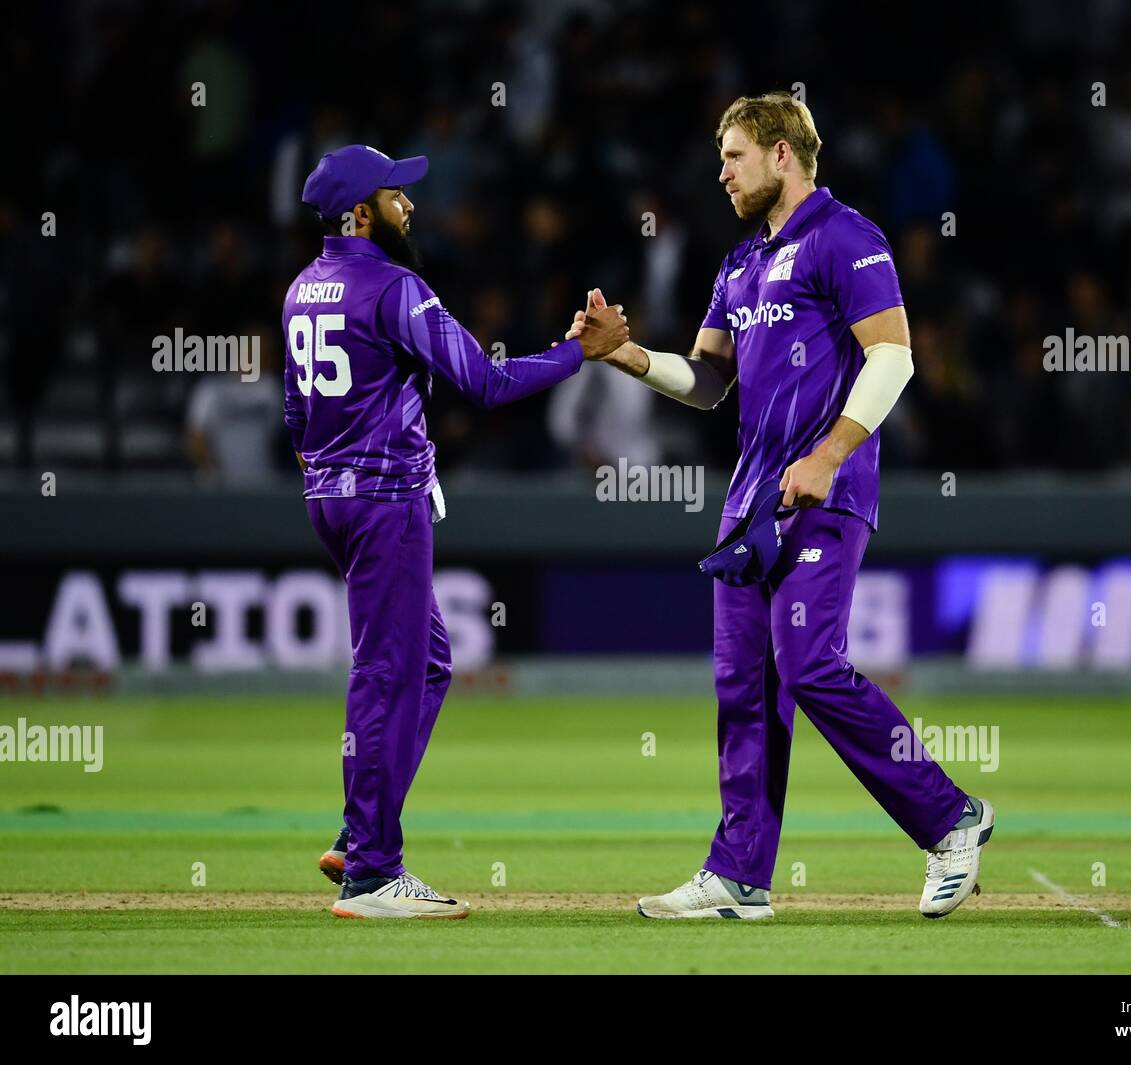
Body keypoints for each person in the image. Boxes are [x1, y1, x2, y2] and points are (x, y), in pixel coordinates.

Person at [568, 94, 993, 919]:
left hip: (825, 496)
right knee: (743, 689)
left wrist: (829, 456)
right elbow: (707, 381)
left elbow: (895, 357)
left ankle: (954, 820)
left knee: (810, 666)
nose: (721, 172)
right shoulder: (738, 265)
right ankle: (739, 875)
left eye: (733, 156)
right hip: (749, 507)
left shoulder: (847, 236)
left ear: (781, 155)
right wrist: (623, 354)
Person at [286, 144, 627, 919]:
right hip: (384, 502)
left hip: (328, 497)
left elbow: (295, 418)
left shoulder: (303, 288)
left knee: (426, 660)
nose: (412, 205)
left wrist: (336, 473)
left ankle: (359, 829)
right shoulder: (395, 287)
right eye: (396, 194)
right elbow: (489, 383)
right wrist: (582, 350)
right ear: (361, 213)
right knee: (388, 670)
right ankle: (373, 872)